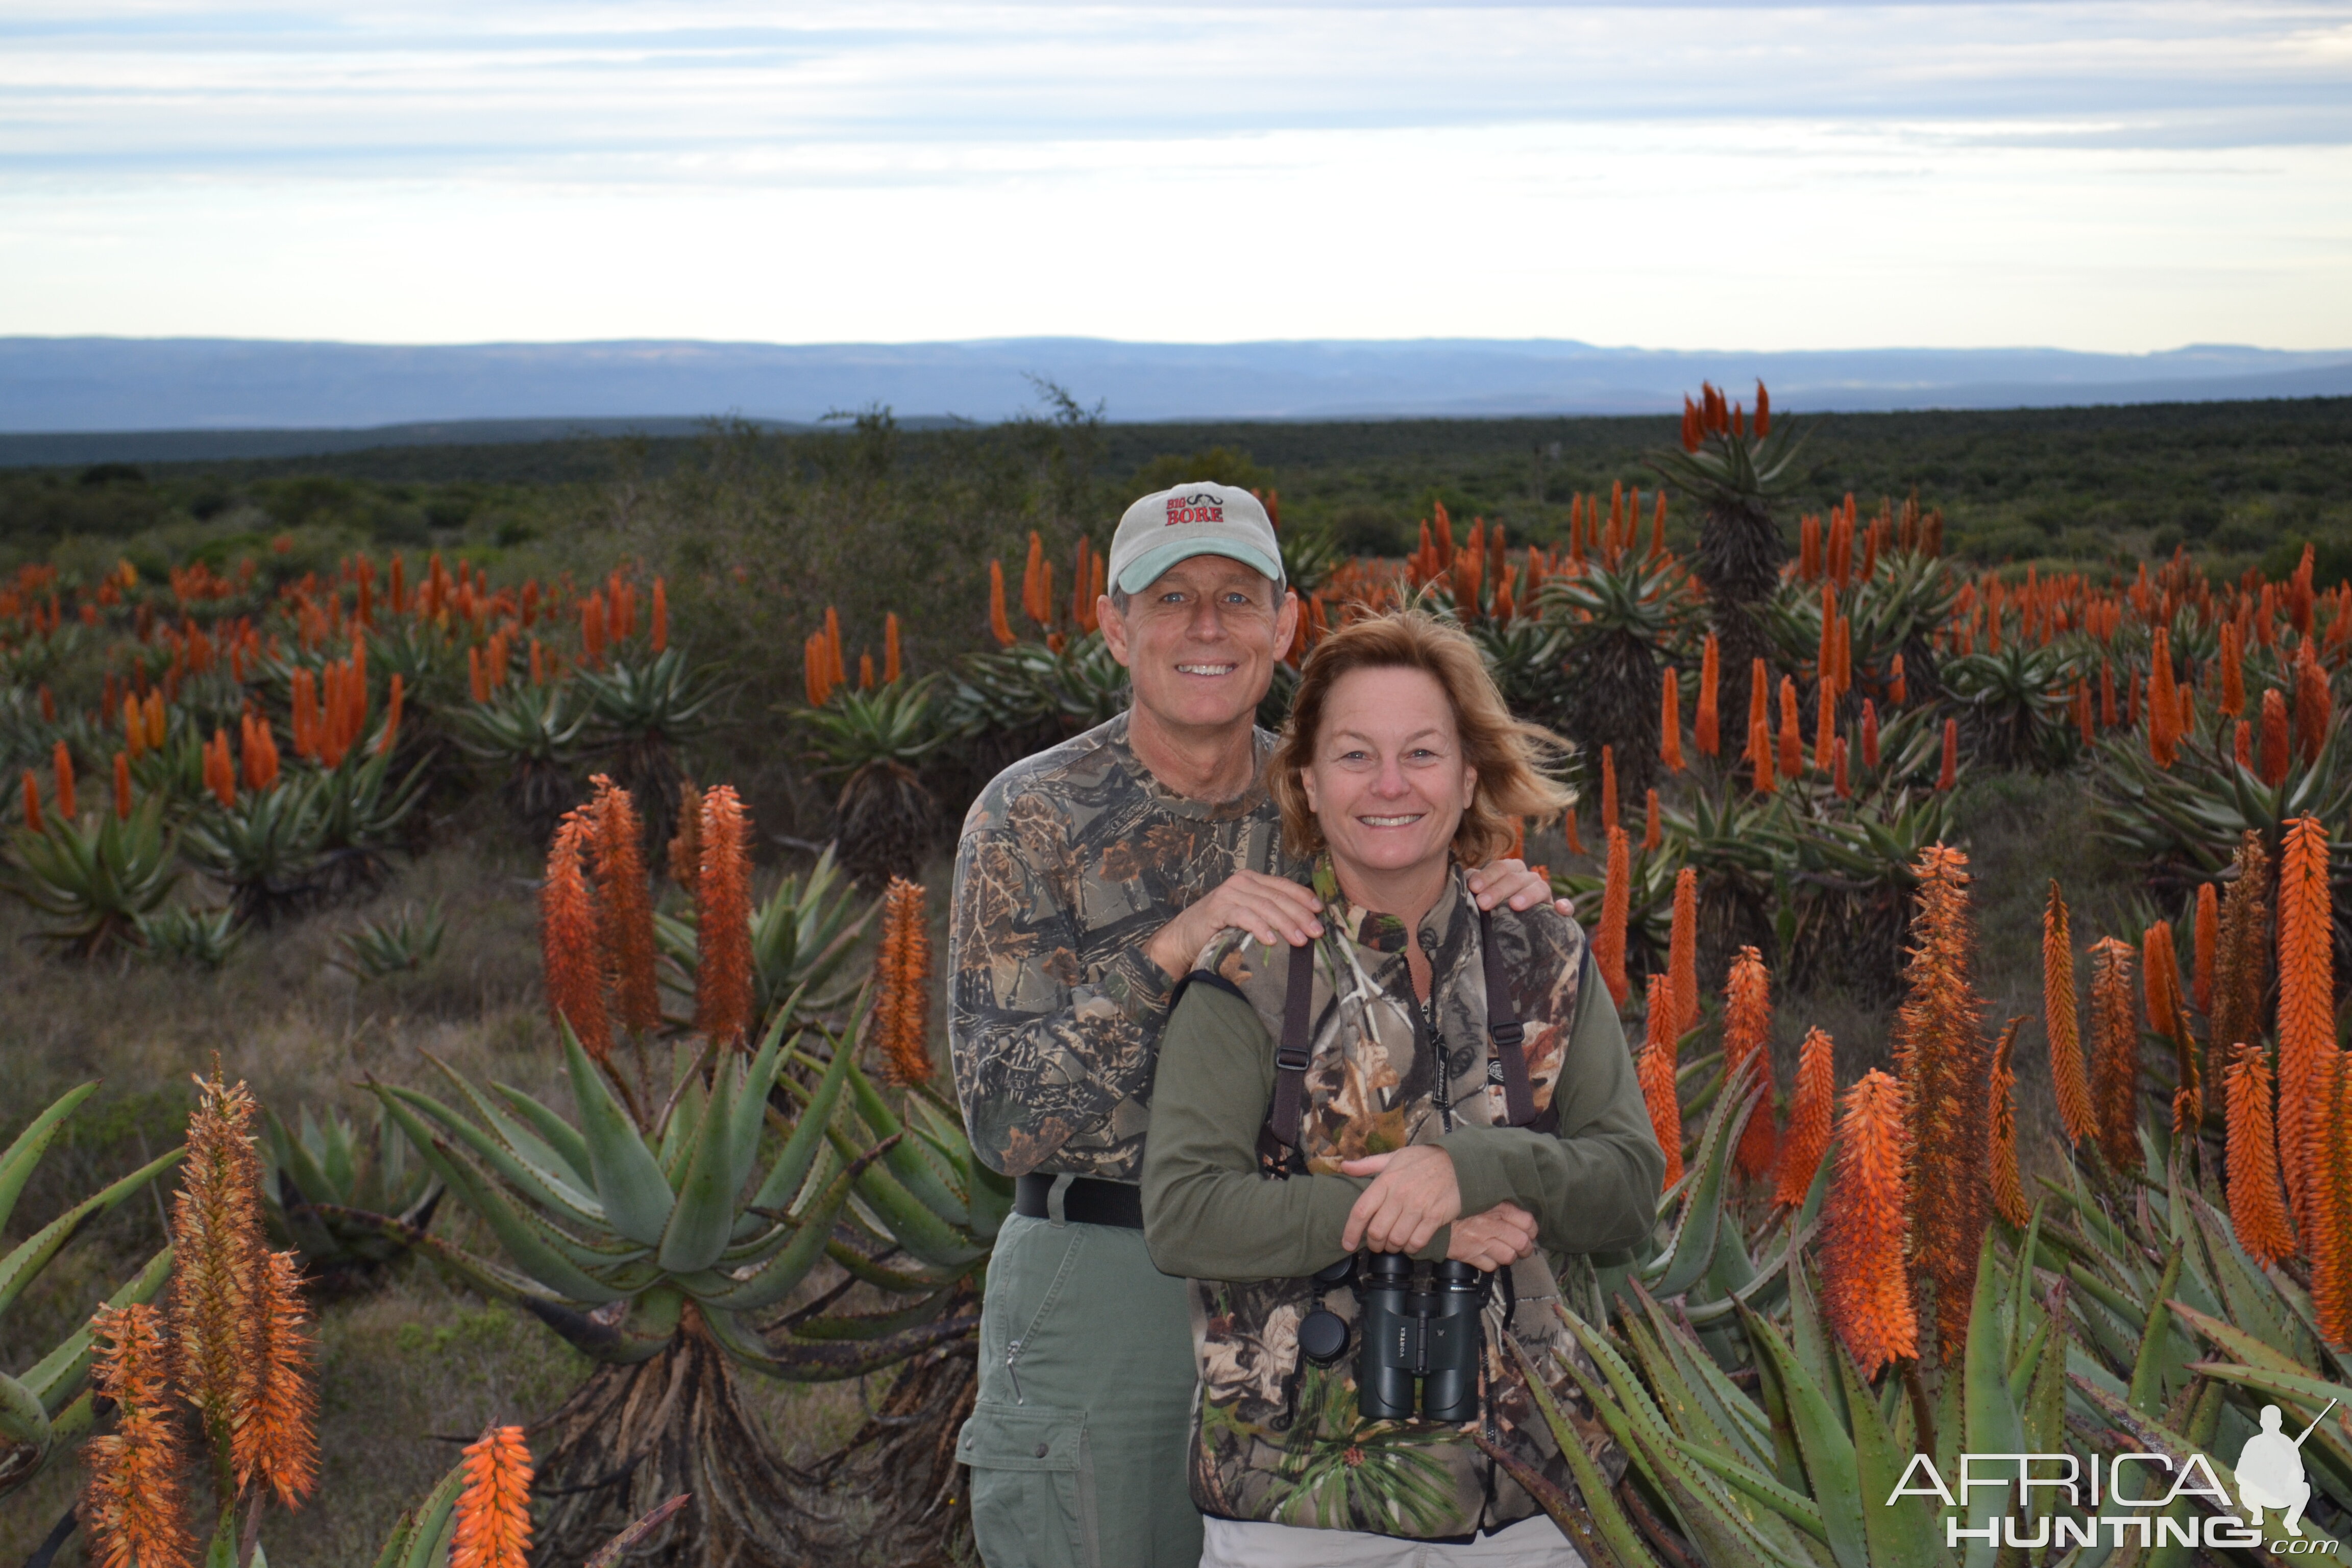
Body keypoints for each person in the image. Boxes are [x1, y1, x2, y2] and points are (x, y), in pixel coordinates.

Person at [949, 485, 1564, 1568]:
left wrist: (1498, 909)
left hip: (1321, 1276)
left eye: (1238, 598)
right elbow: (1005, 1123)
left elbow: (1428, 1016)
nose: (1206, 626)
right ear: (1112, 624)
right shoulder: (1029, 814)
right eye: (1171, 597)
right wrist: (1171, 948)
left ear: (1285, 627)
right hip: (1111, 1276)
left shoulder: (1335, 796)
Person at [1141, 610, 1663, 1564]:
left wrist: (1473, 1167)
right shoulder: (1250, 973)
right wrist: (1408, 1218)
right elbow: (1184, 1213)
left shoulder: (1543, 951)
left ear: (1469, 779)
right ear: (1306, 779)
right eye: (1355, 756)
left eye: (1422, 753)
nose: (1390, 785)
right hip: (1298, 1511)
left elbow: (1629, 1188)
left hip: (1537, 1502)